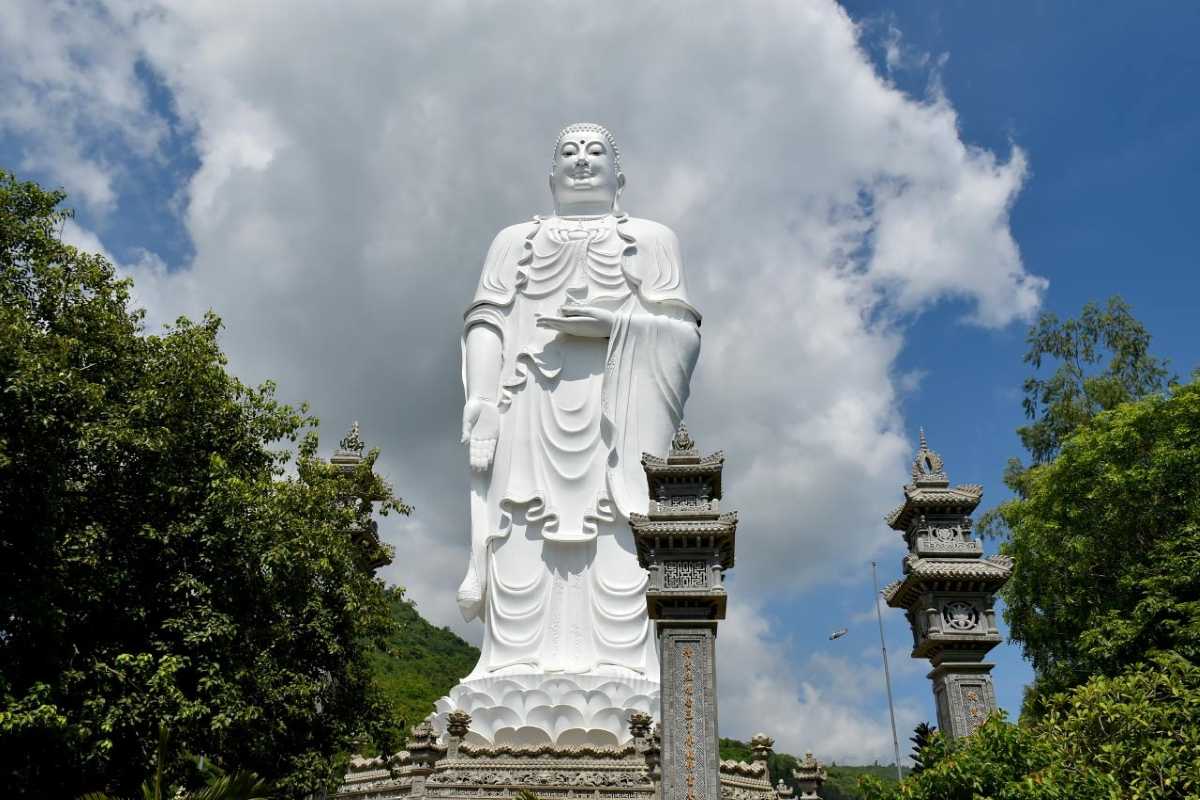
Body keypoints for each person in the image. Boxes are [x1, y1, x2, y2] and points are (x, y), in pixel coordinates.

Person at [452, 123, 700, 738]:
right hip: (527, 402)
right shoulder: (514, 240)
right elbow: (486, 319)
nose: (582, 161)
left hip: (618, 415)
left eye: (596, 152)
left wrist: (613, 325)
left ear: (620, 174)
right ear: (551, 174)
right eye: (568, 152)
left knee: (620, 528)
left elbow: (682, 332)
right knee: (519, 524)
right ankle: (511, 663)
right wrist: (481, 398)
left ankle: (623, 667)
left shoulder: (651, 239)